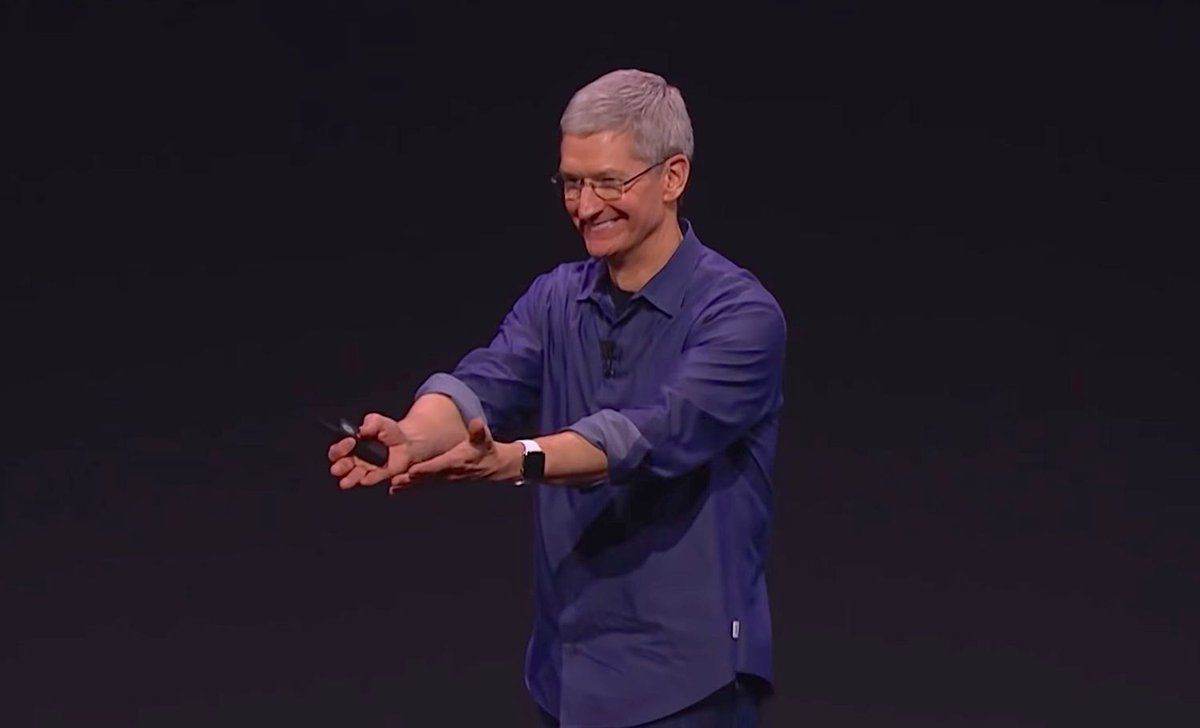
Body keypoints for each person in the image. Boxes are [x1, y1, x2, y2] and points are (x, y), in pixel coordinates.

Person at [327, 68, 787, 727]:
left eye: (609, 182)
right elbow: (484, 381)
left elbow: (652, 433)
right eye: (572, 182)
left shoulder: (741, 316)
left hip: (688, 685)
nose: (586, 205)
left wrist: (517, 460)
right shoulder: (556, 299)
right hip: (566, 678)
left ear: (673, 177)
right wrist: (413, 436)